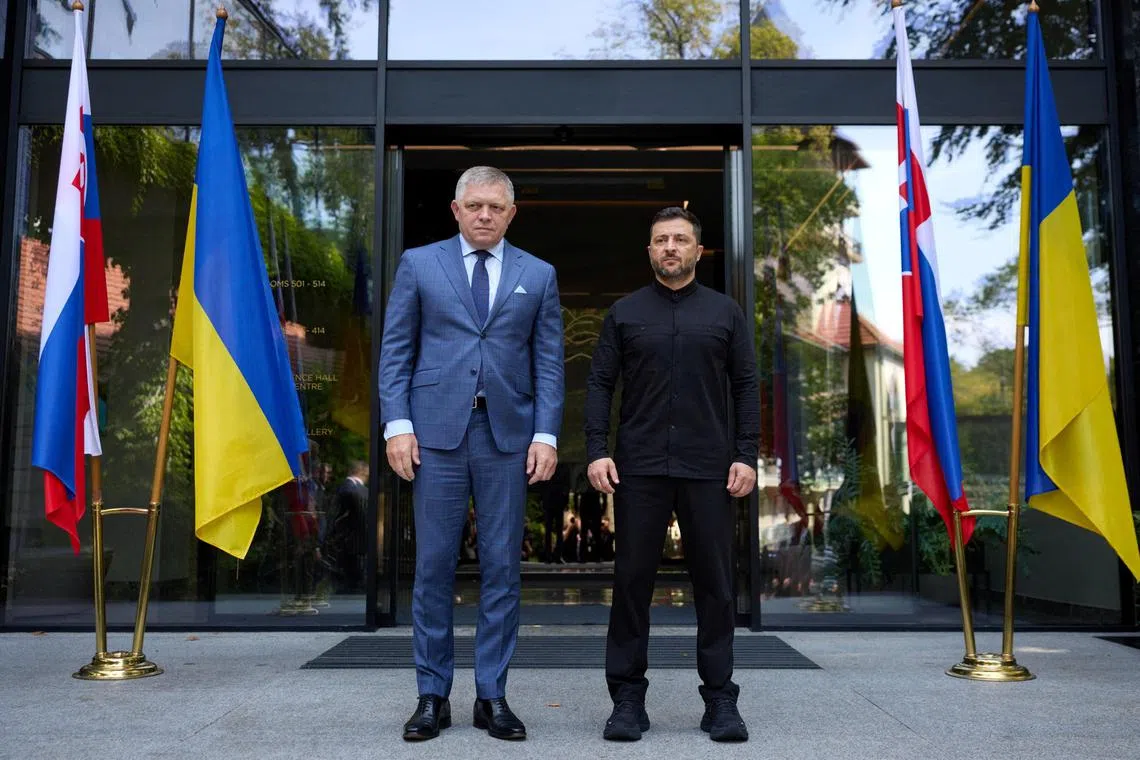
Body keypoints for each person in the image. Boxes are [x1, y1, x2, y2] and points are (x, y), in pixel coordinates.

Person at [378, 165, 565, 742]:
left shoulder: (539, 273)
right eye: (474, 205)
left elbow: (549, 361)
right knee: (433, 568)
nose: (484, 215)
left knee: (503, 570)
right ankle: (432, 695)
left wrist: (547, 435)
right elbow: (396, 351)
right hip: (434, 437)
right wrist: (397, 427)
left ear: (512, 214)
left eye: (496, 207)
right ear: (455, 210)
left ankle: (492, 696)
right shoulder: (418, 264)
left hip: (507, 438)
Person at [585, 206, 760, 743]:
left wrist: (746, 455)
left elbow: (747, 386)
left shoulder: (725, 313)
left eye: (679, 239)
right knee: (632, 584)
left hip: (709, 469)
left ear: (697, 250)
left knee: (715, 587)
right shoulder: (624, 313)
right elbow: (599, 384)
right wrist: (596, 449)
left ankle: (720, 702)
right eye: (660, 240)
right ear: (650, 251)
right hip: (638, 468)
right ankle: (627, 701)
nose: (669, 248)